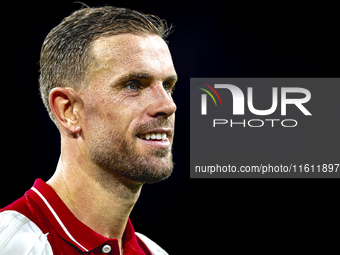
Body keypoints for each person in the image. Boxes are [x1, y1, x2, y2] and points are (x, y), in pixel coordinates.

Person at [0, 5, 177, 255]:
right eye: (134, 84)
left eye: (168, 85)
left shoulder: (153, 252)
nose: (168, 105)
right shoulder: (12, 243)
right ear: (69, 110)